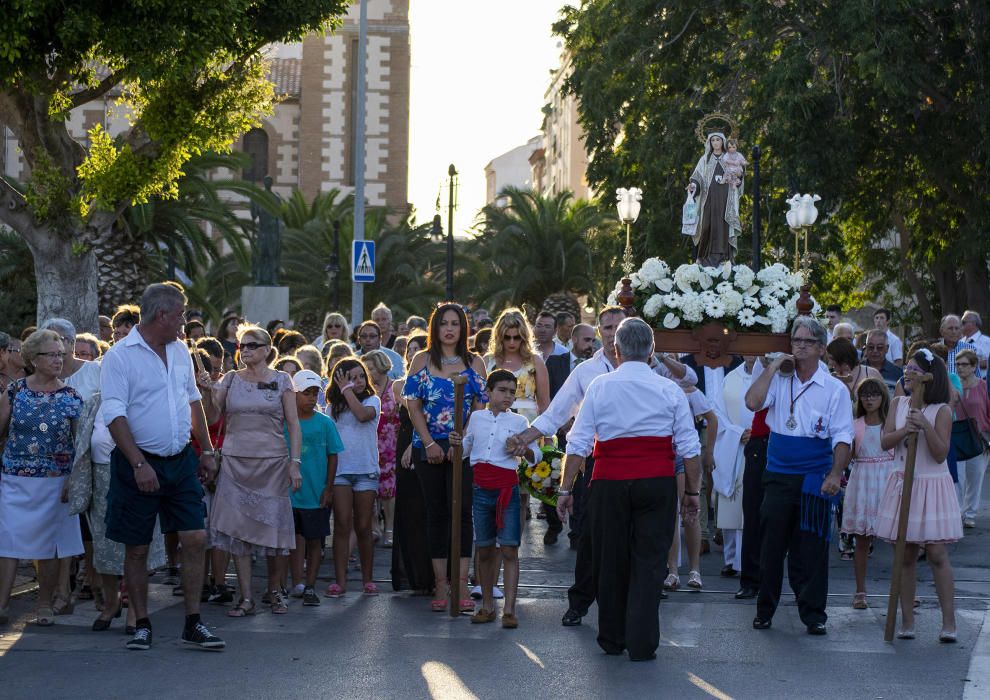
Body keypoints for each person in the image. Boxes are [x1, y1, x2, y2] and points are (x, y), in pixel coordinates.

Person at [556, 317, 701, 661]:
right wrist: (692, 493)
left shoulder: (601, 387)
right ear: (651, 351)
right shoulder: (669, 390)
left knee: (611, 559)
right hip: (656, 482)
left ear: (617, 350)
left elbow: (578, 444)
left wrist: (565, 489)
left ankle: (612, 636)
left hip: (609, 482)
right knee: (650, 561)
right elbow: (689, 448)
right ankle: (642, 640)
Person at [99, 284, 225, 650]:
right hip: (137, 463)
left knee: (196, 537)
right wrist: (138, 463)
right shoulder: (120, 356)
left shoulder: (182, 350)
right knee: (136, 548)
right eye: (181, 314)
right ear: (161, 316)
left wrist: (207, 450)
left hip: (181, 459)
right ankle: (141, 623)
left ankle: (193, 621)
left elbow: (193, 401)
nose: (185, 321)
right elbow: (114, 413)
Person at [744, 317, 853, 635]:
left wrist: (836, 473)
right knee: (771, 547)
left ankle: (813, 613)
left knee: (811, 550)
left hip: (813, 478)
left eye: (807, 342)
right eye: (795, 341)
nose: (800, 347)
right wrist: (774, 366)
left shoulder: (834, 389)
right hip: (778, 474)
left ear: (821, 348)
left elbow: (843, 436)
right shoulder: (779, 378)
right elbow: (752, 403)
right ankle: (765, 609)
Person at [207, 325, 301, 617]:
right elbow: (211, 417)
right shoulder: (230, 379)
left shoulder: (282, 379)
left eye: (251, 344)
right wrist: (205, 390)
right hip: (235, 461)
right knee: (238, 533)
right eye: (241, 345)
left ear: (266, 350)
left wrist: (294, 463)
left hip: (272, 462)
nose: (245, 350)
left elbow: (294, 425)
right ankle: (245, 597)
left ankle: (275, 591)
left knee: (274, 530)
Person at [403, 304, 487, 612]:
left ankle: (462, 581)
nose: (449, 329)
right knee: (436, 513)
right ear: (434, 328)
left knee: (462, 513)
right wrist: (428, 443)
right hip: (429, 445)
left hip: (462, 445)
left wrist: (461, 440)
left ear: (463, 328)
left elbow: (480, 405)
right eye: (443, 324)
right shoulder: (421, 360)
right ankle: (441, 583)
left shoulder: (474, 362)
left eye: (455, 323)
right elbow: (412, 406)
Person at [875, 349, 961, 641]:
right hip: (904, 482)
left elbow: (940, 454)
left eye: (914, 369)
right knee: (906, 553)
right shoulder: (899, 404)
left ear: (928, 376)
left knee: (936, 552)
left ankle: (949, 622)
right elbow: (885, 441)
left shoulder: (942, 410)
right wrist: (904, 430)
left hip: (932, 485)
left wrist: (924, 425)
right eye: (907, 367)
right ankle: (907, 621)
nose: (908, 373)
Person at [0, 330, 84, 627]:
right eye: (52, 354)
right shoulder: (15, 391)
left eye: (61, 354)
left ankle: (44, 605)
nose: (59, 359)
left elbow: (78, 445)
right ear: (33, 359)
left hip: (54, 481)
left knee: (47, 546)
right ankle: (2, 604)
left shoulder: (72, 397)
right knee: (7, 542)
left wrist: (73, 480)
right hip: (14, 477)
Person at [449, 369, 537, 629]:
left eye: (512, 391)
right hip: (481, 489)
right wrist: (456, 443)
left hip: (506, 490)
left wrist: (524, 450)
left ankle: (509, 609)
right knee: (485, 549)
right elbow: (464, 451)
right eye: (502, 390)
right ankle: (487, 605)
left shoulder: (519, 422)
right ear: (488, 392)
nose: (508, 396)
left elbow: (534, 455)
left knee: (509, 548)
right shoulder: (476, 418)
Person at [484, 308, 550, 527]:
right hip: (495, 423)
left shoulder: (535, 362)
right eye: (507, 337)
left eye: (517, 337)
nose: (512, 342)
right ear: (499, 336)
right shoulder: (489, 361)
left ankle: (514, 544)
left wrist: (548, 439)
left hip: (527, 427)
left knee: (521, 493)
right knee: (493, 488)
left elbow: (544, 403)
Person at [285, 370, 343, 606]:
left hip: (316, 492)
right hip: (290, 493)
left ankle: (310, 585)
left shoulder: (325, 423)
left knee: (315, 541)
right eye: (305, 393)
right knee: (294, 540)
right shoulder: (285, 422)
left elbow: (333, 456)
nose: (310, 398)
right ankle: (297, 582)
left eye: (314, 393)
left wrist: (328, 488)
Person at [325, 357, 381, 597]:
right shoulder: (332, 408)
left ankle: (367, 579)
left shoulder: (372, 400)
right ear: (340, 382)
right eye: (351, 378)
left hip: (365, 471)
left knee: (364, 525)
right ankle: (341, 581)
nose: (358, 381)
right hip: (340, 472)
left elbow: (362, 415)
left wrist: (347, 390)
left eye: (361, 376)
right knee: (342, 525)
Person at [839, 378, 895, 609]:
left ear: (883, 397)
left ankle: (905, 590)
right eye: (865, 395)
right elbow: (848, 455)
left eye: (874, 394)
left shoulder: (890, 424)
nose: (869, 399)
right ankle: (860, 591)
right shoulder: (855, 425)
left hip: (888, 480)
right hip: (862, 480)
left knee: (898, 540)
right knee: (861, 540)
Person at [542, 323, 597, 545]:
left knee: (582, 485)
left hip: (586, 435)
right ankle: (554, 524)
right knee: (553, 477)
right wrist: (562, 423)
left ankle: (577, 532)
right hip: (559, 431)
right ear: (574, 339)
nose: (590, 345)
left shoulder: (600, 366)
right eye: (586, 340)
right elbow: (553, 395)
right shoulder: (555, 363)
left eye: (593, 341)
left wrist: (577, 423)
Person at [391, 332, 435, 594]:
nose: (413, 353)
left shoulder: (435, 383)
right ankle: (415, 575)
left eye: (419, 348)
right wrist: (410, 445)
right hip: (407, 448)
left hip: (424, 445)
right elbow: (415, 412)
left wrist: (415, 445)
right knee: (411, 514)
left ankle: (436, 574)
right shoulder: (399, 385)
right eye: (411, 349)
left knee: (431, 511)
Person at [688, 131, 741, 266]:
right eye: (713, 140)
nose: (716, 143)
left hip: (725, 198)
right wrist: (693, 185)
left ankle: (725, 257)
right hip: (708, 199)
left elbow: (739, 174)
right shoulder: (705, 159)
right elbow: (697, 177)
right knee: (706, 225)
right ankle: (705, 257)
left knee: (724, 224)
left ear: (722, 142)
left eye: (718, 140)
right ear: (710, 143)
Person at [363, 349, 398, 546]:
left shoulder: (395, 388)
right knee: (370, 487)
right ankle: (374, 526)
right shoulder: (366, 390)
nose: (368, 372)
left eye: (371, 368)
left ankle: (390, 528)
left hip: (390, 444)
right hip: (370, 442)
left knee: (388, 489)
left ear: (381, 366)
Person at [953, 349, 990, 528]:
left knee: (975, 477)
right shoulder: (952, 386)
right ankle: (957, 512)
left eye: (964, 364)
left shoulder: (983, 386)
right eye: (958, 364)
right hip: (957, 436)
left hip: (979, 437)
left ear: (974, 366)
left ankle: (970, 514)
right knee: (958, 478)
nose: (960, 368)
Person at [862, 329, 904, 396]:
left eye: (879, 347)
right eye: (871, 347)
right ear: (866, 347)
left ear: (887, 348)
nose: (875, 351)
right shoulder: (857, 370)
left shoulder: (897, 373)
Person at [961, 311, 990, 376]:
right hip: (961, 383)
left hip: (982, 382)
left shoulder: (987, 342)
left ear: (973, 324)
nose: (961, 324)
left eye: (963, 322)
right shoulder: (960, 342)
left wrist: (970, 364)